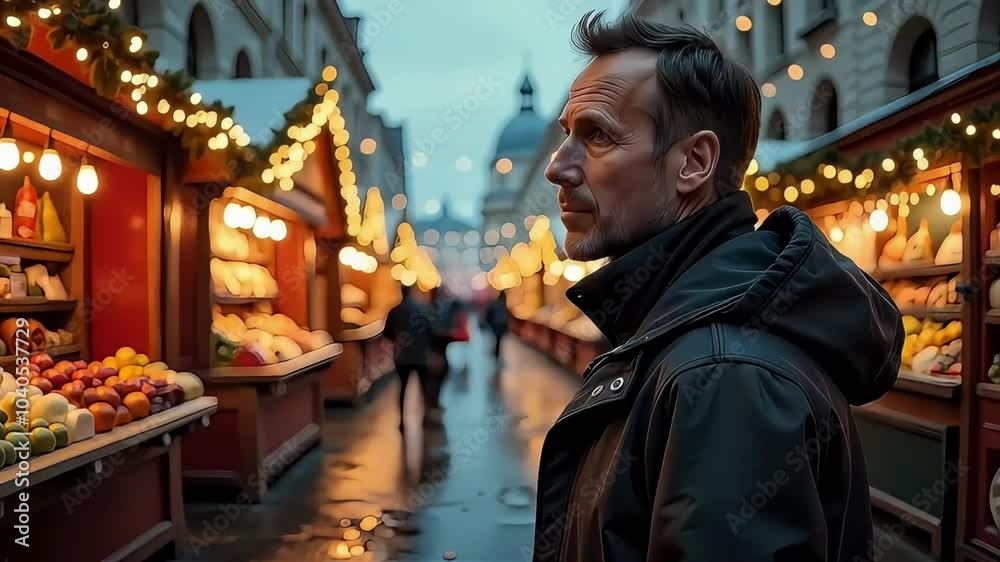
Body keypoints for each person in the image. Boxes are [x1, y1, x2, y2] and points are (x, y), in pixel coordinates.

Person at [531, 12, 902, 562]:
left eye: (598, 135)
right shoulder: (689, 338)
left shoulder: (723, 374)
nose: (558, 167)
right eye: (567, 135)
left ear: (694, 162)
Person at [384, 284, 432, 431]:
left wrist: (397, 341)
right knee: (424, 387)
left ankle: (401, 420)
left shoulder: (395, 311)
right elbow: (430, 331)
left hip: (402, 355)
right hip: (420, 355)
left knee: (402, 387)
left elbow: (387, 333)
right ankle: (426, 416)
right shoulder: (422, 309)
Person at [484, 290, 508, 362]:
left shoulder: (495, 303)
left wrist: (488, 322)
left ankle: (494, 352)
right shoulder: (504, 304)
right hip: (501, 325)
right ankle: (496, 353)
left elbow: (489, 314)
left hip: (495, 325)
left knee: (494, 339)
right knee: (498, 340)